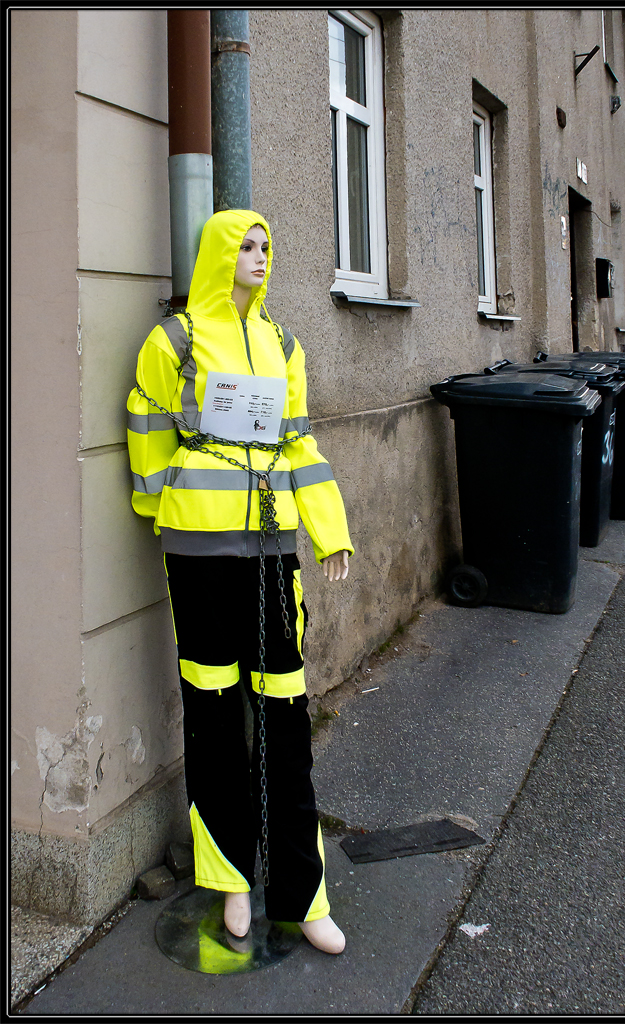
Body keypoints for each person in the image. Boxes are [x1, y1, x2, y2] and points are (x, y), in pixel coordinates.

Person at [127, 209, 353, 955]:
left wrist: (329, 529)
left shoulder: (284, 344)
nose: (260, 257)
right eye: (246, 246)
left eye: (266, 246)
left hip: (269, 549)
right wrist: (159, 507)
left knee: (284, 714)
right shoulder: (174, 342)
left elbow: (300, 443)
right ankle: (229, 880)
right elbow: (147, 428)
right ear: (219, 254)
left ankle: (302, 893)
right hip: (196, 554)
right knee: (213, 712)